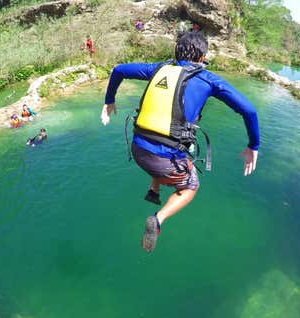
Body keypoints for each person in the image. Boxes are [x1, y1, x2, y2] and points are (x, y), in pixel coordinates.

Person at [100, 31, 260, 253]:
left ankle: (154, 190)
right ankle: (158, 219)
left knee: (177, 152)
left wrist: (109, 101)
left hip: (137, 150)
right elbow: (249, 111)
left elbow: (118, 70)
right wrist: (254, 146)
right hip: (163, 161)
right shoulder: (208, 79)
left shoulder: (158, 69)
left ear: (176, 51)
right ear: (202, 58)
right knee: (191, 184)